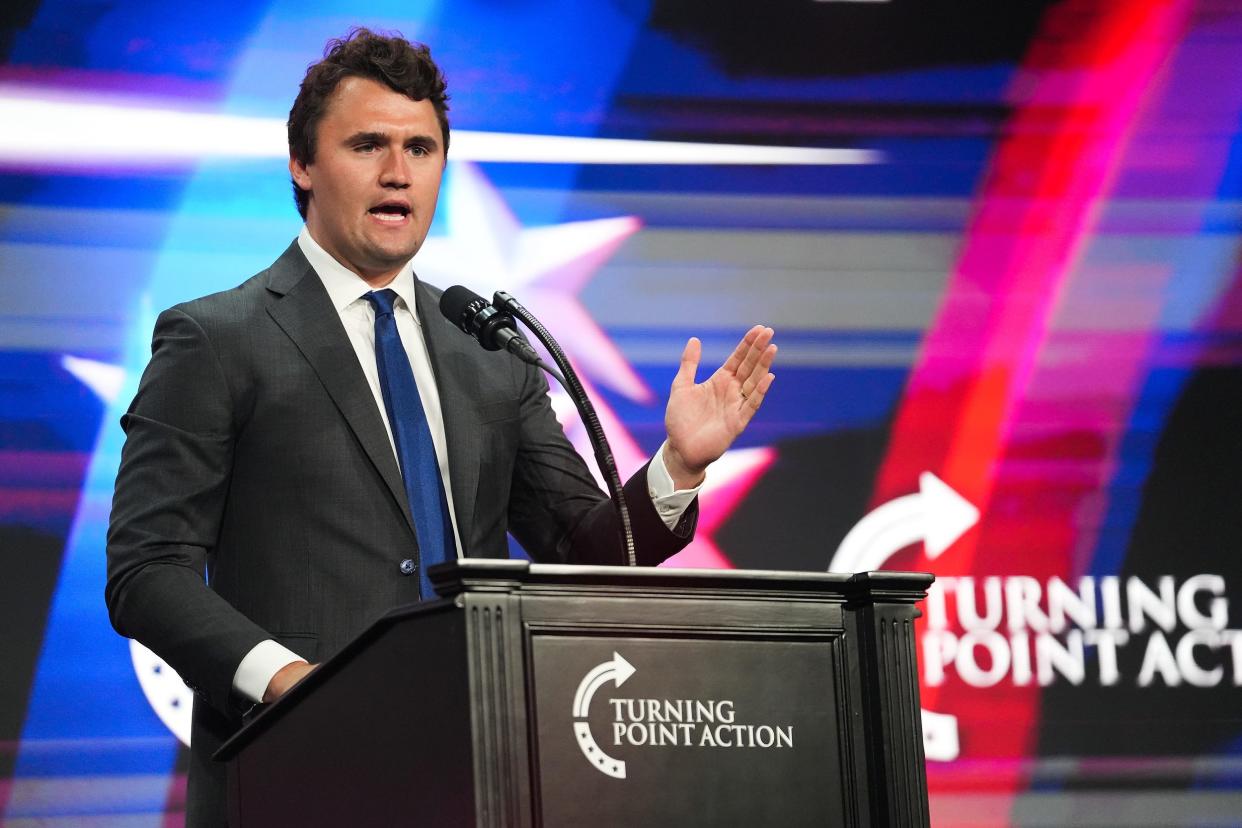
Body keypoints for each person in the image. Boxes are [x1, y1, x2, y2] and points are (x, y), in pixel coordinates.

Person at [105, 28, 776, 827]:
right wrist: (288, 683)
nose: (398, 172)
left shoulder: (488, 347)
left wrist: (677, 468)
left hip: (484, 770)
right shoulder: (218, 338)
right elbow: (147, 570)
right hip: (295, 771)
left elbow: (581, 552)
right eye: (368, 144)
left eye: (421, 148)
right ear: (303, 165)